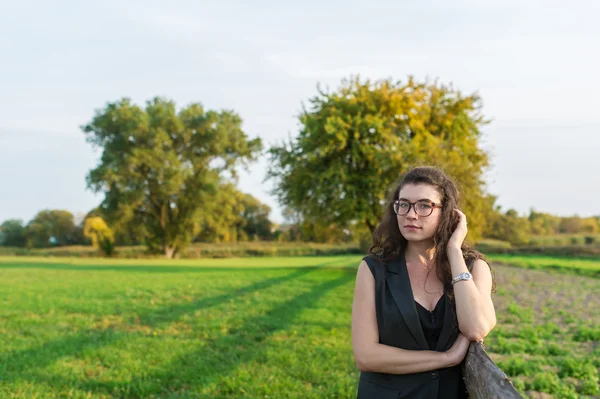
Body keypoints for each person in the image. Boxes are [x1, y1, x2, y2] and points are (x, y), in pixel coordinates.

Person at [351, 166, 497, 399]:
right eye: (404, 204)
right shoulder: (373, 269)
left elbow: (477, 327)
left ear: (447, 212)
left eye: (424, 205)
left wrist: (453, 251)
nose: (411, 213)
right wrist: (446, 358)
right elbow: (365, 356)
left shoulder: (473, 268)